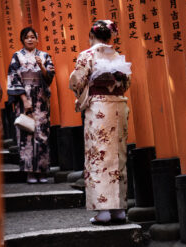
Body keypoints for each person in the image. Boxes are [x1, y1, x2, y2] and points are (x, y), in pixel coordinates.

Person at [69, 20, 131, 224]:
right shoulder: (116, 56)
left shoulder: (87, 55)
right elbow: (127, 83)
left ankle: (104, 211)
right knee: (118, 155)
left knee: (99, 155)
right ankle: (120, 209)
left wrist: (81, 92)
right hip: (119, 107)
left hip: (99, 108)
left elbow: (77, 81)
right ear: (110, 36)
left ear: (91, 36)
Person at [7, 27, 55, 184]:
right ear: (22, 39)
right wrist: (24, 99)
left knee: (42, 134)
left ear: (37, 38)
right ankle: (29, 172)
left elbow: (49, 78)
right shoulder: (17, 57)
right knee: (26, 135)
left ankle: (42, 170)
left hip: (41, 100)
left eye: (32, 37)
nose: (30, 39)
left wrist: (41, 66)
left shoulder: (44, 56)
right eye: (26, 37)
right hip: (24, 99)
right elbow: (13, 78)